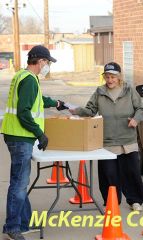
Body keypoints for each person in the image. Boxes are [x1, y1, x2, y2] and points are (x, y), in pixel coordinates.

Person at [1, 45, 68, 240]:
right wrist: (40, 133)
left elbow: (35, 100)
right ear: (40, 61)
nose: (47, 66)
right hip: (21, 137)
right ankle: (12, 227)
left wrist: (56, 103)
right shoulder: (29, 80)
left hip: (16, 136)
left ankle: (24, 223)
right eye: (47, 62)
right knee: (18, 185)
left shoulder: (23, 76)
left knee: (21, 183)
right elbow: (24, 112)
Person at [69, 62, 143, 211]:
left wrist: (136, 119)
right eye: (107, 77)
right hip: (107, 141)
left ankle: (135, 200)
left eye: (113, 77)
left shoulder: (129, 90)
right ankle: (111, 201)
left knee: (131, 172)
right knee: (109, 174)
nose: (110, 80)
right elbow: (90, 110)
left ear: (119, 77)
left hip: (127, 140)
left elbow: (141, 108)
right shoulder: (100, 92)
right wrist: (77, 110)